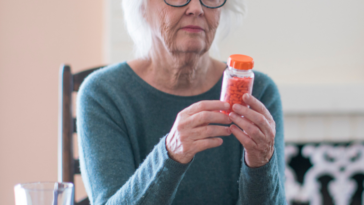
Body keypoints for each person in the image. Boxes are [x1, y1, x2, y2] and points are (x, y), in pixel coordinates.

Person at [77, 0, 286, 204]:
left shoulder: (256, 91)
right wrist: (171, 154)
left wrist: (262, 164)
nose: (196, 8)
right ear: (141, 7)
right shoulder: (103, 94)